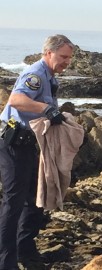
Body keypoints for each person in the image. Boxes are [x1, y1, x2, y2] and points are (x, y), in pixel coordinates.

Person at [0, 34, 75, 270]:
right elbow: (16, 100)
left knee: (34, 199)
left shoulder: (51, 77)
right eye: (63, 56)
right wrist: (46, 109)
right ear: (48, 53)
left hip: (31, 144)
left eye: (69, 58)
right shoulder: (35, 75)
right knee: (13, 203)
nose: (66, 62)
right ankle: (6, 262)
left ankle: (26, 252)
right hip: (13, 144)